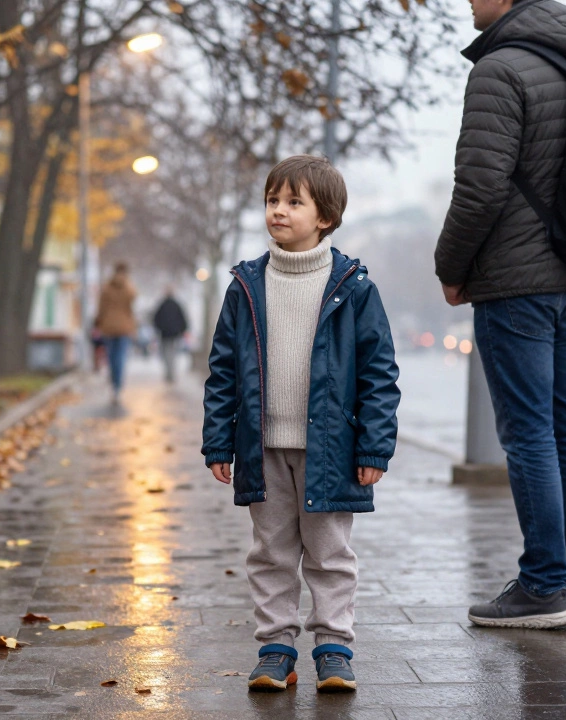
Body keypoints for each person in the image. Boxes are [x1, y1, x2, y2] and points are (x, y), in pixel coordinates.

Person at [434, 0, 566, 628]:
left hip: (515, 282)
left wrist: (449, 265)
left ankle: (542, 587)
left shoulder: (500, 68)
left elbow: (481, 184)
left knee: (531, 431)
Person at [202, 156, 400, 694]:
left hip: (331, 450)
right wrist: (219, 439)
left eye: (293, 202)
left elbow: (379, 373)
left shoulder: (353, 288)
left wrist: (374, 448)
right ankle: (276, 650)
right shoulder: (246, 286)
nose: (278, 211)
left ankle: (334, 650)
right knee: (271, 552)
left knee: (330, 553)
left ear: (326, 217)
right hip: (263, 448)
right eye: (272, 200)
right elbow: (222, 370)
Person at [95, 262, 137, 403]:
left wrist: (99, 322)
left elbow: (101, 309)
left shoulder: (106, 288)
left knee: (111, 357)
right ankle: (117, 386)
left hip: (108, 327)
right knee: (120, 357)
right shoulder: (128, 288)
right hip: (124, 328)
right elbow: (132, 305)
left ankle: (113, 383)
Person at [152, 287, 189, 383]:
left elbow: (155, 318)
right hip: (174, 334)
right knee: (172, 353)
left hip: (164, 334)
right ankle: (171, 373)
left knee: (166, 354)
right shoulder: (177, 304)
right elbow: (183, 318)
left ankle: (169, 373)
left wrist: (159, 328)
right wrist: (183, 330)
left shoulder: (162, 305)